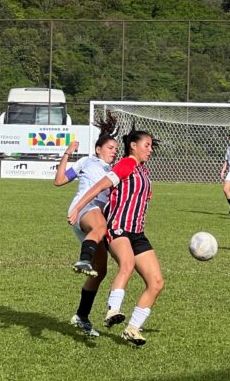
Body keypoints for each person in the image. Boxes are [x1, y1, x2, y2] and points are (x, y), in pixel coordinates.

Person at [68, 127, 164, 347]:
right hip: (118, 228)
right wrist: (78, 208)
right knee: (127, 264)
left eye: (151, 146)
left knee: (156, 282)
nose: (150, 150)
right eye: (146, 145)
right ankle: (113, 310)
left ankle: (132, 329)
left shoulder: (143, 170)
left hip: (137, 233)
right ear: (133, 146)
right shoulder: (127, 164)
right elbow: (100, 186)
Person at [54, 115, 119, 336]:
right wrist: (67, 153)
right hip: (83, 209)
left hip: (97, 216)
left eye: (116, 148)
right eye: (110, 147)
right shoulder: (87, 162)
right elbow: (60, 180)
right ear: (98, 148)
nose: (114, 151)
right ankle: (83, 259)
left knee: (100, 271)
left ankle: (81, 316)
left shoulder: (115, 169)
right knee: (99, 227)